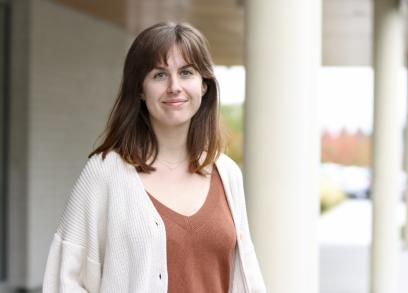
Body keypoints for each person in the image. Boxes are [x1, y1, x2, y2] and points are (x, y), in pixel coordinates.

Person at [42, 22, 266, 293]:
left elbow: (245, 279)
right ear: (139, 89)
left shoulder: (227, 174)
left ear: (204, 85)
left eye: (186, 72)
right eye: (159, 75)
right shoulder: (105, 173)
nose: (174, 86)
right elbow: (66, 279)